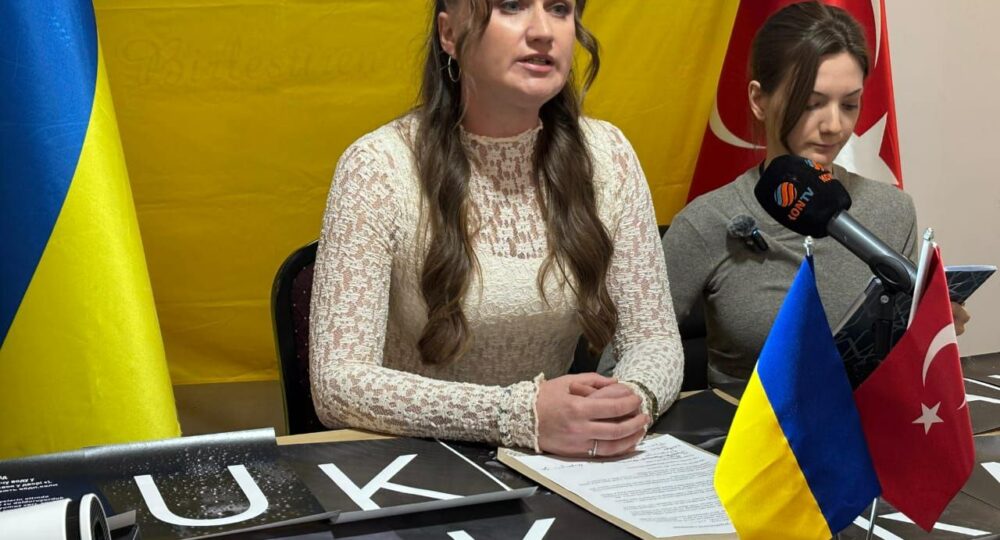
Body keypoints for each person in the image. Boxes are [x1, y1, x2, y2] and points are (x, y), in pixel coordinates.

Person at [308, 0, 683, 458]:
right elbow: (338, 383)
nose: (543, 30)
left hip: (559, 464)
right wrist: (517, 415)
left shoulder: (608, 156)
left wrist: (629, 405)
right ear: (449, 34)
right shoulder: (377, 167)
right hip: (417, 463)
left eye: (560, 8)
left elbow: (653, 339)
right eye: (511, 6)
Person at [663, 1, 969, 384]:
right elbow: (631, 358)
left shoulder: (893, 210)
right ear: (759, 100)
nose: (835, 126)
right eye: (812, 104)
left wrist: (931, 332)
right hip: (741, 420)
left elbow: (900, 366)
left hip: (865, 418)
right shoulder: (706, 221)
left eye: (850, 104)